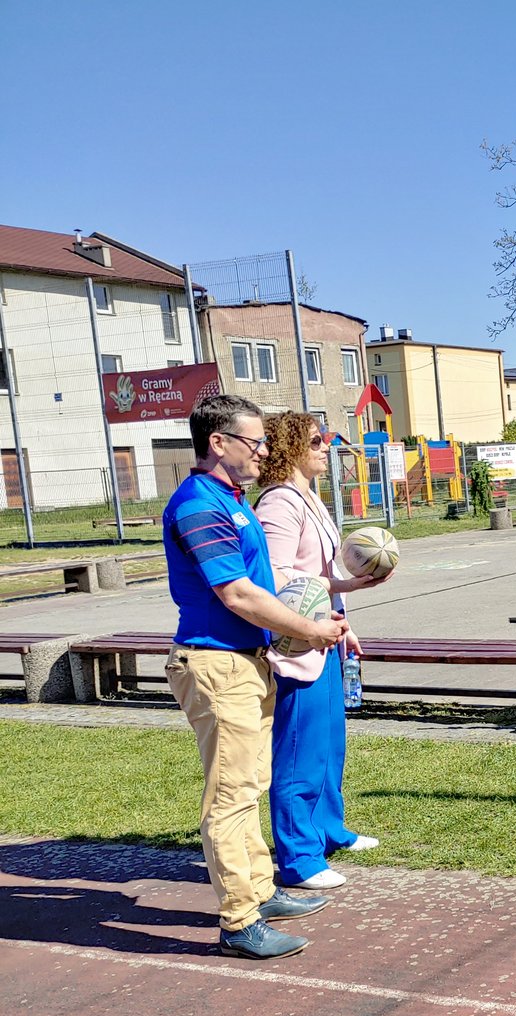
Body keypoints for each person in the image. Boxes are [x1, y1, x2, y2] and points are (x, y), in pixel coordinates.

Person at [162, 395, 348, 960]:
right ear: (218, 443)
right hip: (217, 665)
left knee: (251, 785)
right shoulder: (199, 504)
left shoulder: (232, 500)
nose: (265, 451)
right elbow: (237, 594)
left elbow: (268, 585)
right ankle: (240, 922)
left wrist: (312, 615)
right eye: (256, 441)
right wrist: (310, 630)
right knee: (231, 795)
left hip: (247, 661)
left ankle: (261, 892)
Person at [256, 413, 388, 890]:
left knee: (330, 743)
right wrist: (340, 590)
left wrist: (343, 621)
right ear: (291, 447)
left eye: (325, 439)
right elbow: (275, 576)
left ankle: (330, 829)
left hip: (324, 636)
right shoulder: (278, 502)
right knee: (299, 751)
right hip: (297, 643)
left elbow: (321, 573)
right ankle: (299, 858)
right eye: (316, 440)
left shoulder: (309, 497)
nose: (325, 447)